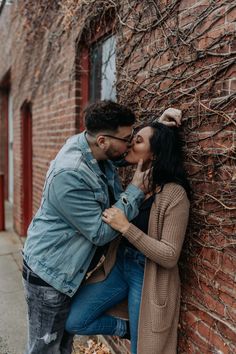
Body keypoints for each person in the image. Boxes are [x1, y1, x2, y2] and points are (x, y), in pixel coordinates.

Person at [22, 100, 181, 354]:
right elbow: (101, 233)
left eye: (134, 138)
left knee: (62, 345)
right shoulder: (71, 174)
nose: (130, 143)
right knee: (45, 348)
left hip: (67, 270)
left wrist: (158, 129)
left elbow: (125, 154)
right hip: (50, 274)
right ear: (104, 141)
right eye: (127, 138)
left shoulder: (93, 147)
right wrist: (136, 190)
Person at [65, 121, 190, 354]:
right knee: (74, 320)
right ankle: (127, 328)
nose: (131, 143)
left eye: (139, 141)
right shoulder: (138, 183)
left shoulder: (175, 195)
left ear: (156, 153)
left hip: (147, 276)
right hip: (119, 266)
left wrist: (126, 228)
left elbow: (170, 255)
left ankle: (138, 335)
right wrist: (160, 119)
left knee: (141, 350)